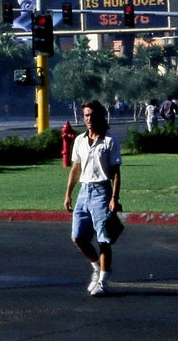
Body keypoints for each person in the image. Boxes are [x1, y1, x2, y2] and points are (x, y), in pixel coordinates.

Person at [63, 100, 122, 296]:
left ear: (99, 116)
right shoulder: (79, 140)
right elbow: (75, 168)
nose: (88, 119)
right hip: (84, 191)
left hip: (102, 191)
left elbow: (115, 172)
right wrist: (68, 194)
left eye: (91, 115)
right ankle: (96, 267)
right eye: (85, 115)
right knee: (78, 237)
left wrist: (114, 197)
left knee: (103, 239)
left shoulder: (109, 140)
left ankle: (104, 281)